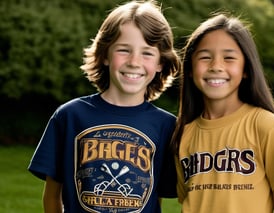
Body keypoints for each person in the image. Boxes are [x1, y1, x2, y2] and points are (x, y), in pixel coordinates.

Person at [28, 1, 180, 212]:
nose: (134, 62)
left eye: (147, 53)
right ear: (105, 55)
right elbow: (52, 197)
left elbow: (154, 197)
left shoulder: (166, 125)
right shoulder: (70, 116)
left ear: (160, 63)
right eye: (124, 50)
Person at [171, 13, 274, 213]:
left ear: (246, 69)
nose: (216, 66)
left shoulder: (266, 126)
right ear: (190, 68)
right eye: (205, 57)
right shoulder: (184, 134)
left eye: (229, 58)